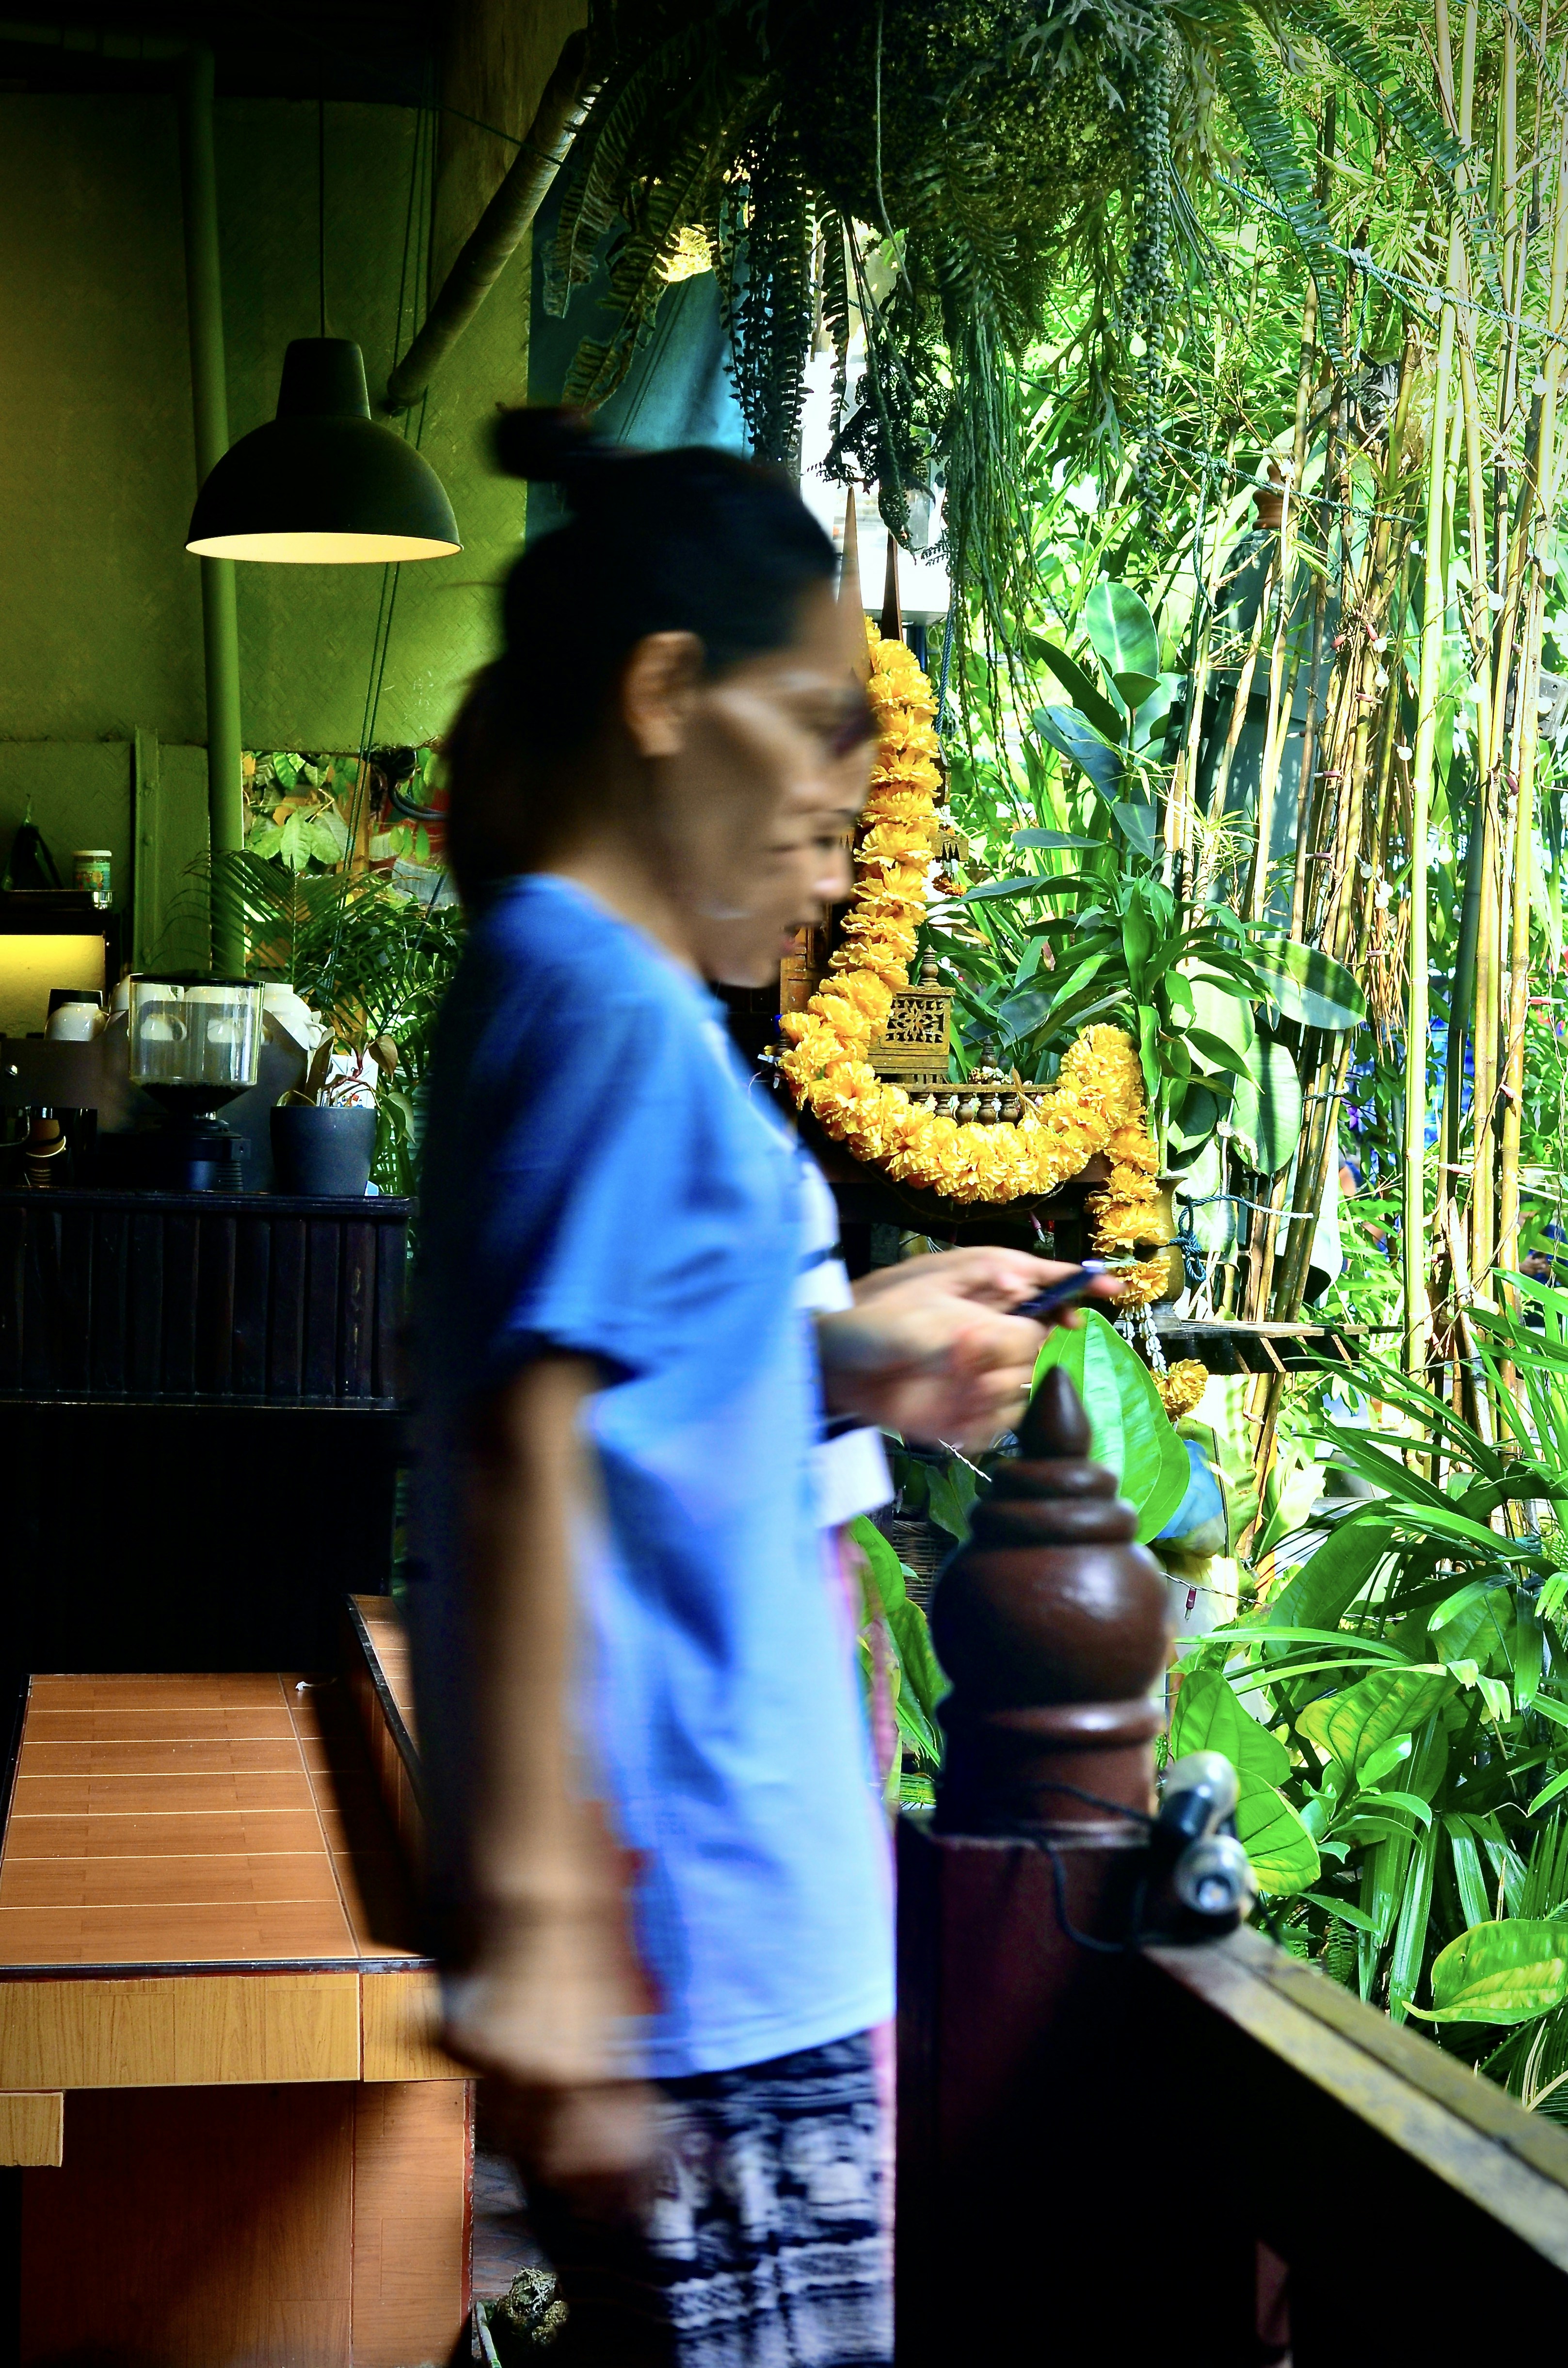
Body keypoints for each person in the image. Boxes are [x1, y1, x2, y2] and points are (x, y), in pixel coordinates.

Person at [408, 409, 1119, 2367]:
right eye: (814, 725)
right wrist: (545, 1931)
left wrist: (855, 1348)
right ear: (661, 699)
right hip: (705, 1960)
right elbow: (520, 1450)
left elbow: (629, 1396)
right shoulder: (607, 1002)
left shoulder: (553, 985)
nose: (847, 798)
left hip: (718, 1953)